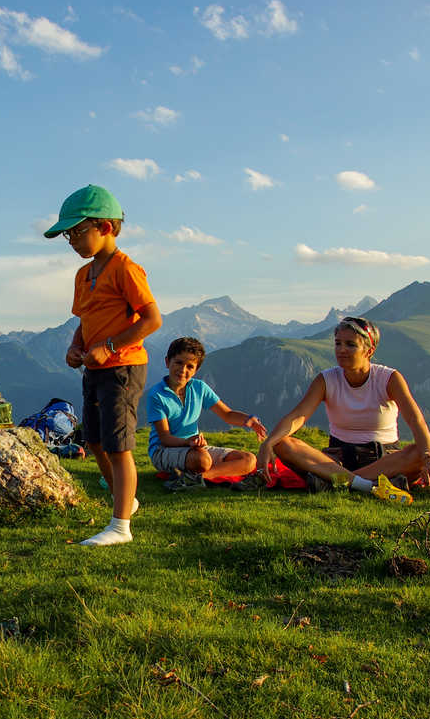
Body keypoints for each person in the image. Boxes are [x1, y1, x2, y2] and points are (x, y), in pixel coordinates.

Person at [45, 184, 162, 546]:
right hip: (94, 369)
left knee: (118, 444)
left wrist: (109, 346)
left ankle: (120, 527)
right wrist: (75, 346)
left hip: (123, 369)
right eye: (68, 234)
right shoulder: (84, 275)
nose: (71, 241)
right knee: (94, 440)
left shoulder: (126, 269)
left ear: (106, 227)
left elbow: (152, 319)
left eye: (77, 231)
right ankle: (125, 500)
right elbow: (85, 319)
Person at [256, 316, 430, 503]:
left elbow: (415, 419)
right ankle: (370, 486)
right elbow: (298, 416)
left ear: (369, 350)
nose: (342, 350)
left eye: (350, 345)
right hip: (337, 459)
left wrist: (429, 457)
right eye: (338, 343)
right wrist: (268, 443)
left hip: (384, 459)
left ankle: (334, 482)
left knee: (418, 453)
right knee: (283, 443)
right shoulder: (326, 379)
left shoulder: (389, 378)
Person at [146, 337, 267, 489]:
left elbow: (227, 414)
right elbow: (164, 438)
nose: (183, 370)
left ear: (196, 370)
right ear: (167, 362)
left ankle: (196, 478)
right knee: (202, 460)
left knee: (249, 460)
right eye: (178, 363)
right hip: (164, 451)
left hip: (194, 448)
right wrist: (188, 442)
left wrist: (248, 420)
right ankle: (197, 475)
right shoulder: (157, 395)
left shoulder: (199, 388)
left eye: (190, 366)